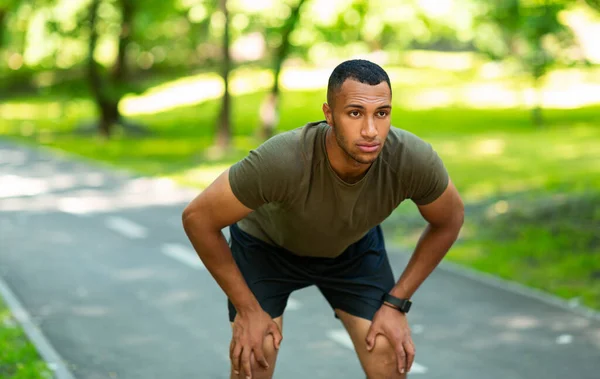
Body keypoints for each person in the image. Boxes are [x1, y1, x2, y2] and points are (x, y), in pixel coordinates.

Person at [182, 59, 464, 379]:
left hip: (352, 250)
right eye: (355, 113)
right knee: (255, 354)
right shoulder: (284, 159)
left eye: (381, 113)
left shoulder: (411, 159)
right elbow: (197, 218)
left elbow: (450, 220)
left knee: (387, 348)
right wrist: (247, 309)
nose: (371, 130)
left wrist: (396, 302)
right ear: (329, 115)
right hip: (267, 249)